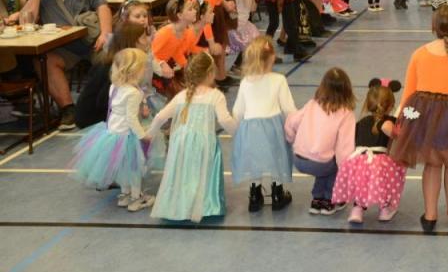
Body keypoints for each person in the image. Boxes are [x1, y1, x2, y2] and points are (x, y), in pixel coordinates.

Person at [391, 5, 448, 232]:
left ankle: (430, 216)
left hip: (423, 115)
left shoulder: (419, 54)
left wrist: (400, 119)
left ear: (433, 27)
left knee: (431, 165)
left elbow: (408, 92)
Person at [20, 0, 112, 129]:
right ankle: (68, 109)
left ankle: (105, 107)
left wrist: (106, 33)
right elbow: (27, 21)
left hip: (92, 41)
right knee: (44, 61)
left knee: (109, 58)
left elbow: (103, 7)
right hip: (63, 48)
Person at [148, 52, 237, 222]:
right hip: (203, 141)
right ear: (210, 73)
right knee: (200, 172)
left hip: (180, 140)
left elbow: (160, 116)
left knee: (183, 171)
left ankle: (181, 205)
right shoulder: (215, 95)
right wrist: (238, 134)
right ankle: (205, 205)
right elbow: (225, 120)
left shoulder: (182, 95)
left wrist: (149, 134)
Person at [70, 48, 154, 212]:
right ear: (134, 70)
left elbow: (116, 108)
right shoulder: (134, 93)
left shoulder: (115, 86)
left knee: (121, 167)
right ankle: (136, 198)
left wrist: (142, 105)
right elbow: (131, 119)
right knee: (134, 168)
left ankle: (125, 194)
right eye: (143, 67)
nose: (145, 70)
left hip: (112, 133)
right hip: (127, 136)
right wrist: (143, 135)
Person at [231, 37, 296, 212]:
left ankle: (255, 195)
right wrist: (296, 127)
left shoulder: (245, 82)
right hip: (273, 127)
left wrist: (236, 129)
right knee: (278, 158)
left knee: (255, 160)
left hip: (250, 129)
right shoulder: (279, 79)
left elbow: (237, 111)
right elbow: (289, 109)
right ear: (272, 57)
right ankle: (277, 193)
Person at [332, 79, 407, 224]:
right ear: (391, 106)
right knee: (385, 184)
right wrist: (399, 132)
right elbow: (390, 131)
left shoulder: (361, 122)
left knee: (361, 185)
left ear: (368, 104)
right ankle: (384, 209)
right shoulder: (389, 122)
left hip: (358, 161)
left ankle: (357, 210)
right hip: (379, 162)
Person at [284, 67, 356, 216]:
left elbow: (292, 121)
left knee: (324, 158)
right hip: (320, 163)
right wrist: (346, 171)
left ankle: (317, 199)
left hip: (298, 159)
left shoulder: (312, 104)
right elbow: (345, 148)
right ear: (347, 90)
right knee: (333, 164)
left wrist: (291, 138)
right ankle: (329, 199)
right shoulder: (346, 114)